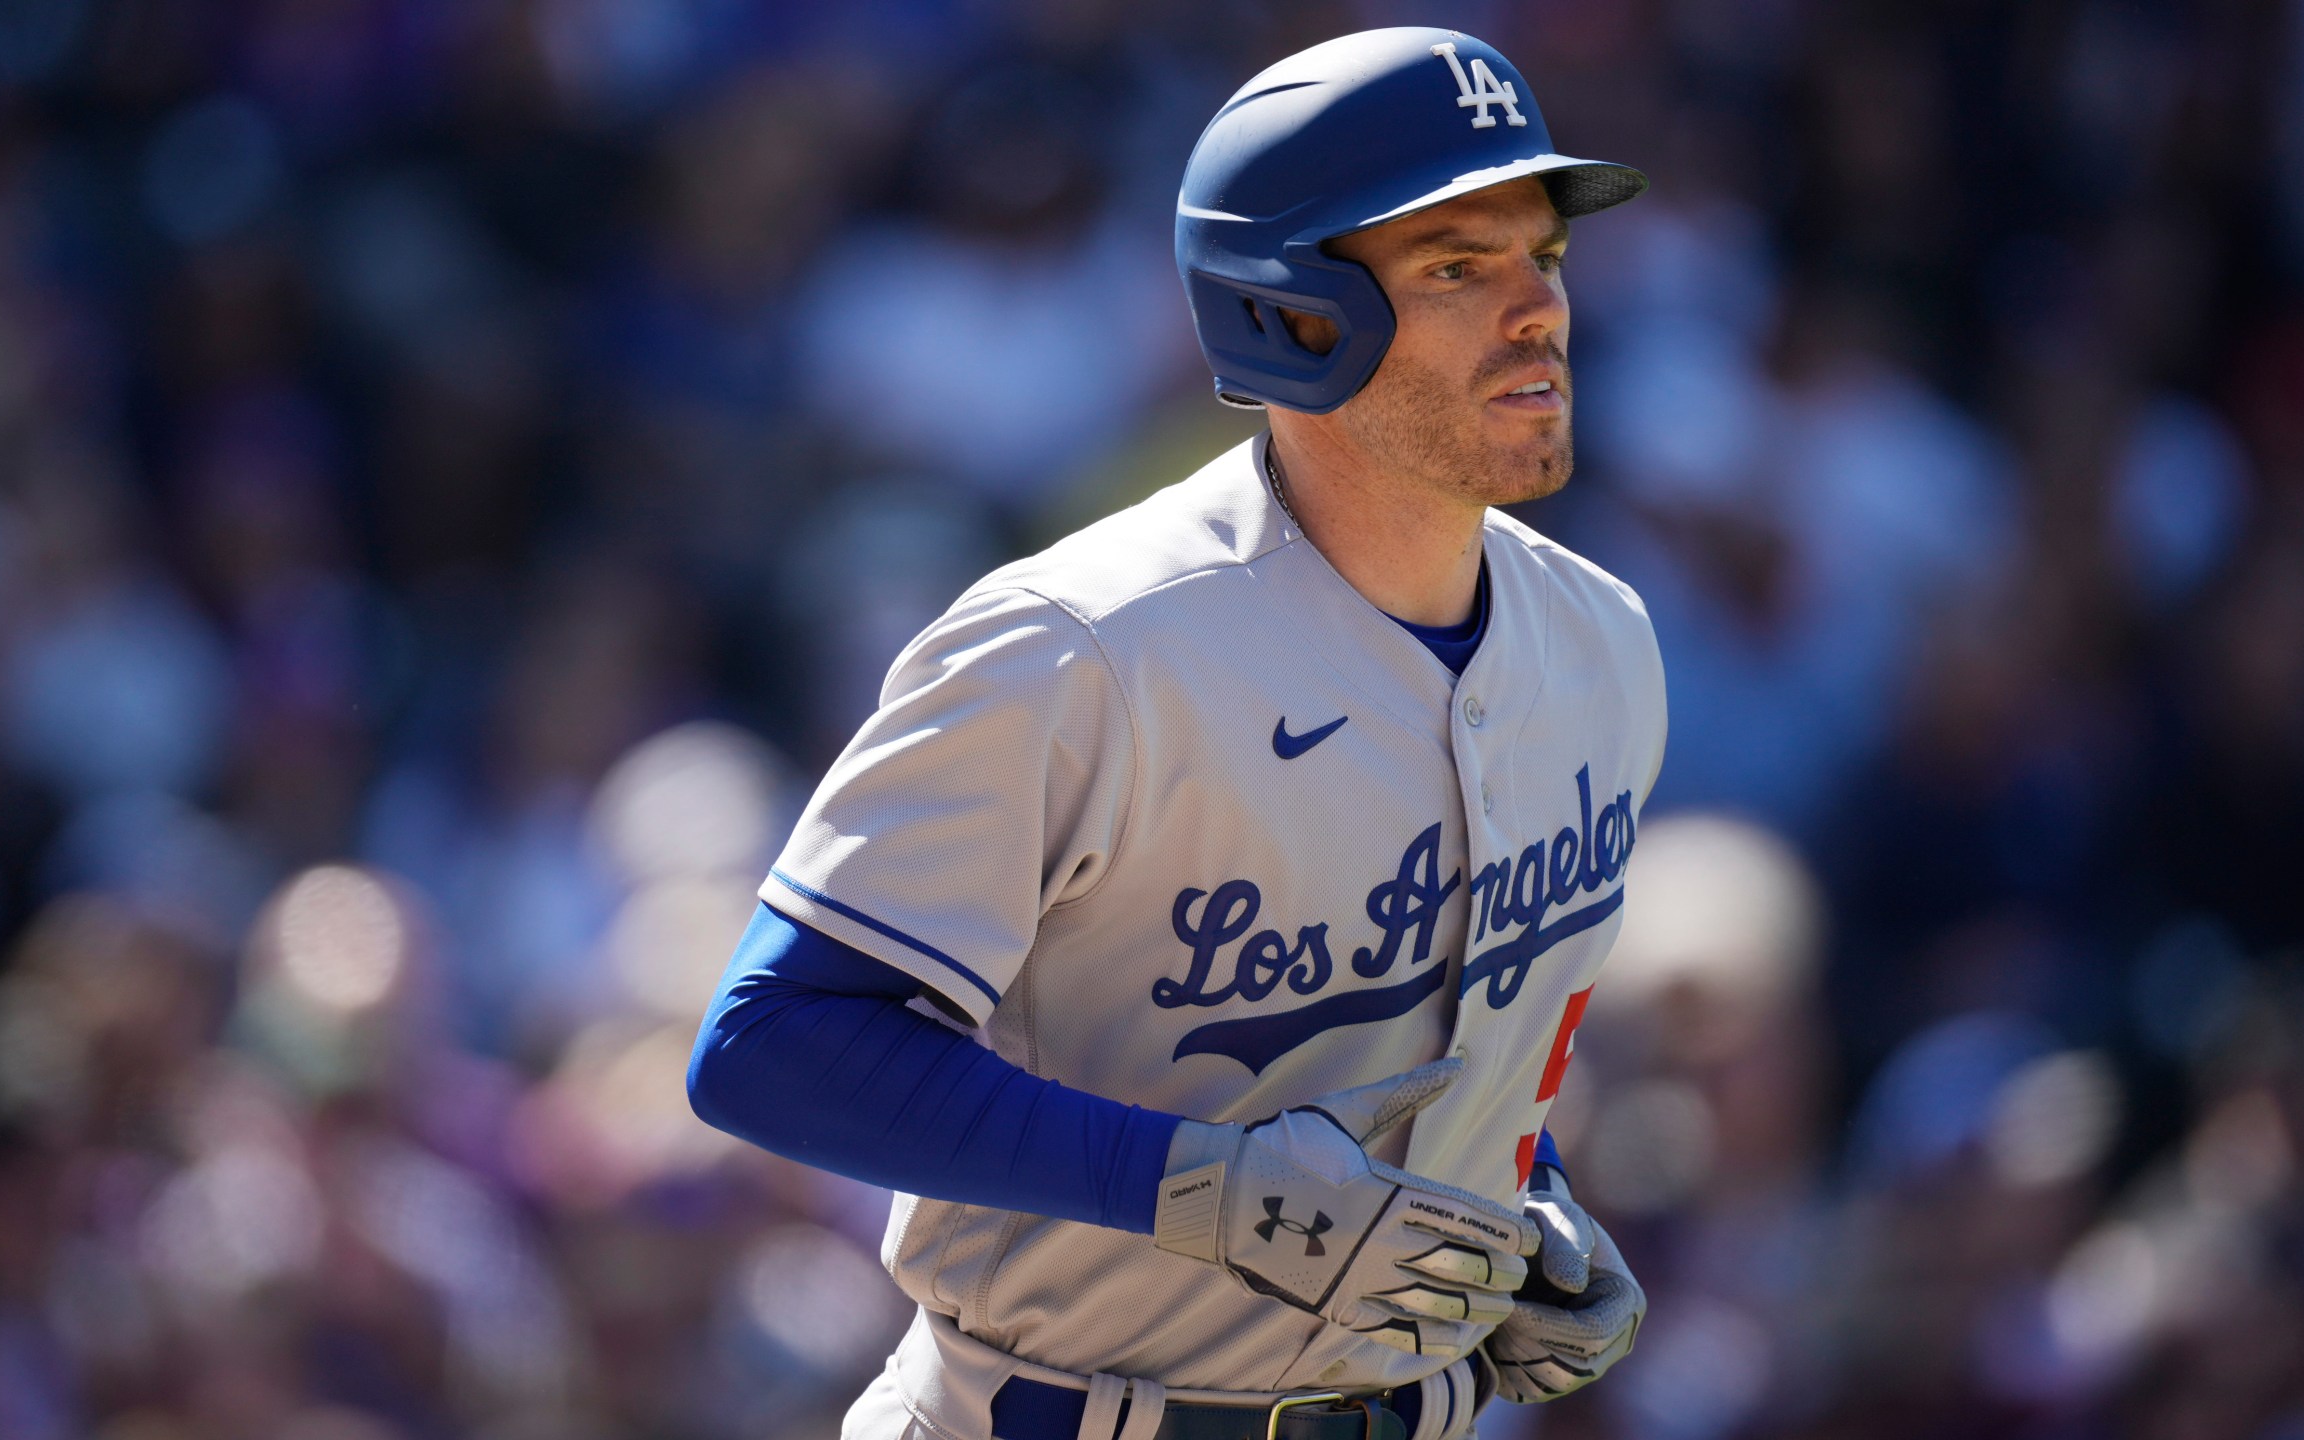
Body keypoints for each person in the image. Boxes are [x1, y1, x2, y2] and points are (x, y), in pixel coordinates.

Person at [687, 28, 1661, 1440]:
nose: (1537, 310)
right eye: (1460, 266)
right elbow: (771, 1041)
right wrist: (1192, 1186)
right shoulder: (1077, 648)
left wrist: (1520, 1200)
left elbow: (1410, 1044)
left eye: (1546, 257)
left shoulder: (1605, 647)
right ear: (1296, 314)